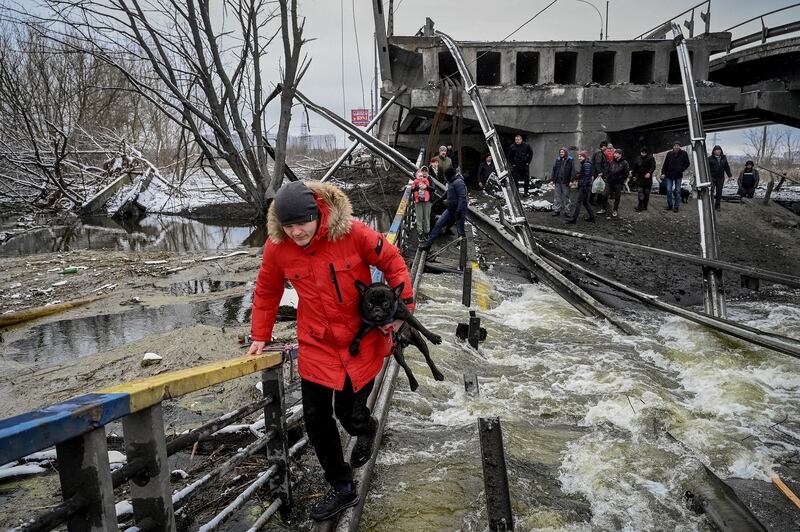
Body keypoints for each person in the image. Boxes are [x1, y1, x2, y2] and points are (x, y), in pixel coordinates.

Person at [248, 181, 414, 521]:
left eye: (302, 223)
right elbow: (267, 290)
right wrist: (260, 334)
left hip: (361, 341)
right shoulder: (277, 247)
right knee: (316, 418)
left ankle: (365, 428)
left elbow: (394, 261)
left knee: (349, 415)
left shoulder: (352, 233)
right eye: (288, 225)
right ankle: (342, 487)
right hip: (317, 344)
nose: (296, 232)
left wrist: (401, 314)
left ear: (317, 214)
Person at [420, 167, 466, 250]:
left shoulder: (459, 182)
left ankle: (463, 250)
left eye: (445, 176)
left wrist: (459, 210)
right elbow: (448, 192)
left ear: (449, 176)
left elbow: (462, 197)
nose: (445, 178)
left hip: (458, 211)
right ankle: (428, 245)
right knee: (438, 224)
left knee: (460, 230)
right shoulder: (452, 182)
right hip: (450, 209)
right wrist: (441, 199)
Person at [599, 148, 630, 217]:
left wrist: (622, 180)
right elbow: (607, 170)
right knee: (604, 195)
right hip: (609, 182)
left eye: (616, 153)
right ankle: (604, 209)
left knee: (617, 197)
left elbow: (626, 173)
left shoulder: (625, 163)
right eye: (615, 153)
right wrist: (605, 176)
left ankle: (615, 210)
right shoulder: (611, 162)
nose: (614, 154)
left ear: (620, 155)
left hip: (618, 183)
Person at [660, 141, 690, 212]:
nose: (676, 147)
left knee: (677, 191)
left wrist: (681, 169)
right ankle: (670, 205)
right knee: (668, 190)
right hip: (669, 174)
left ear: (680, 147)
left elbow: (687, 163)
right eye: (675, 145)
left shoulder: (684, 154)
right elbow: (665, 164)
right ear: (673, 146)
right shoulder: (669, 154)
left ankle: (676, 207)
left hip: (678, 175)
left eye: (678, 145)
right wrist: (663, 173)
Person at [567, 151, 595, 224]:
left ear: (584, 157)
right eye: (579, 156)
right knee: (585, 202)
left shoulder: (586, 164)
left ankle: (574, 219)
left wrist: (583, 186)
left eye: (580, 156)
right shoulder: (585, 164)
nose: (579, 158)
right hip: (586, 186)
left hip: (584, 187)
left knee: (579, 203)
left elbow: (587, 177)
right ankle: (592, 217)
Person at [708, 144, 732, 211]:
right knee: (711, 190)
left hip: (720, 177)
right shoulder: (710, 158)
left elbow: (726, 167)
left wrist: (730, 175)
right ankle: (710, 204)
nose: (718, 151)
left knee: (719, 191)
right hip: (712, 177)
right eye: (717, 150)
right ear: (714, 151)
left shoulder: (724, 157)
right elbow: (707, 168)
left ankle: (717, 205)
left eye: (719, 150)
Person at [551, 147, 574, 216]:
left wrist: (571, 180)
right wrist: (553, 179)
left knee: (566, 197)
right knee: (557, 196)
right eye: (560, 152)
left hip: (565, 181)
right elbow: (554, 169)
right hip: (558, 181)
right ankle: (556, 210)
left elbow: (573, 170)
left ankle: (567, 211)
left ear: (565, 152)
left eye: (562, 152)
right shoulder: (558, 159)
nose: (561, 153)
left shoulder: (570, 160)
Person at [411, 167, 433, 241]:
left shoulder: (429, 179)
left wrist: (426, 186)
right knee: (419, 218)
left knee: (427, 218)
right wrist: (418, 187)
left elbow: (433, 188)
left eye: (425, 171)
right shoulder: (416, 180)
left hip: (427, 201)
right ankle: (420, 234)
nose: (424, 172)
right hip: (418, 202)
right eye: (422, 171)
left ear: (427, 172)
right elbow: (412, 189)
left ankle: (426, 233)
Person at [632, 147, 656, 211]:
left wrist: (649, 173)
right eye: (642, 152)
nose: (643, 154)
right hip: (640, 177)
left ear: (646, 153)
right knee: (640, 191)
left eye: (644, 153)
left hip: (647, 179)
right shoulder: (638, 158)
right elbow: (635, 167)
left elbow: (653, 166)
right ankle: (640, 205)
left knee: (646, 193)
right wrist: (634, 175)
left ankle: (645, 205)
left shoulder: (651, 158)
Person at [590, 140, 609, 205]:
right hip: (598, 173)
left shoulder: (597, 151)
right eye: (606, 147)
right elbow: (598, 163)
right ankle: (595, 200)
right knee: (597, 186)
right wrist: (600, 172)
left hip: (596, 173)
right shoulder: (599, 153)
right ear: (603, 146)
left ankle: (595, 200)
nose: (606, 148)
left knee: (596, 186)